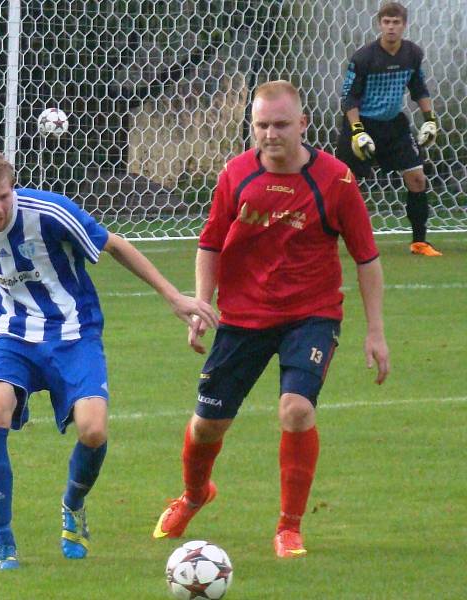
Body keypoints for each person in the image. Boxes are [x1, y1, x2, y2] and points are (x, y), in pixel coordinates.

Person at [0, 148, 218, 570]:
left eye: (4, 195)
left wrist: (173, 296)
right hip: (13, 332)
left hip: (75, 332)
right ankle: (3, 542)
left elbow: (114, 245)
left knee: (93, 431)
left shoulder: (52, 212)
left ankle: (73, 505)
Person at [152, 81, 390, 558]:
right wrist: (202, 305)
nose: (270, 134)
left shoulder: (337, 180)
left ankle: (289, 526)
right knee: (206, 426)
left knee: (297, 409)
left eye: (281, 125)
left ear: (303, 124)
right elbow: (211, 243)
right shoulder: (235, 174)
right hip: (243, 316)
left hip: (312, 314)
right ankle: (195, 494)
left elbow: (366, 258)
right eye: (261, 125)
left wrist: (376, 332)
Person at [335, 1, 441, 256]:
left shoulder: (412, 54)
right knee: (343, 184)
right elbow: (349, 98)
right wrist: (358, 131)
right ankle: (329, 239)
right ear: (380, 24)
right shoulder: (364, 57)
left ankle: (419, 242)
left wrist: (430, 119)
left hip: (394, 126)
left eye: (396, 22)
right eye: (387, 22)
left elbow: (419, 89)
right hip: (361, 125)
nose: (391, 27)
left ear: (404, 25)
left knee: (417, 178)